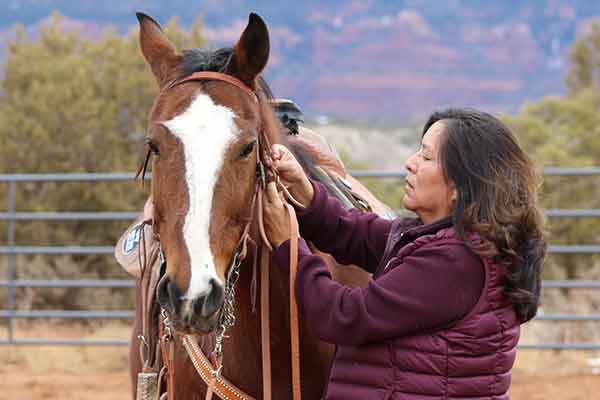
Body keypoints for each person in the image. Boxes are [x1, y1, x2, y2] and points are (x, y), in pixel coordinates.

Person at [262, 108, 547, 400]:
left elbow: (345, 315)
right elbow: (357, 235)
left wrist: (288, 245)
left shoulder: (457, 262)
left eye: (425, 157)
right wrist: (304, 192)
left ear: (461, 187)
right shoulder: (456, 242)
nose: (409, 163)